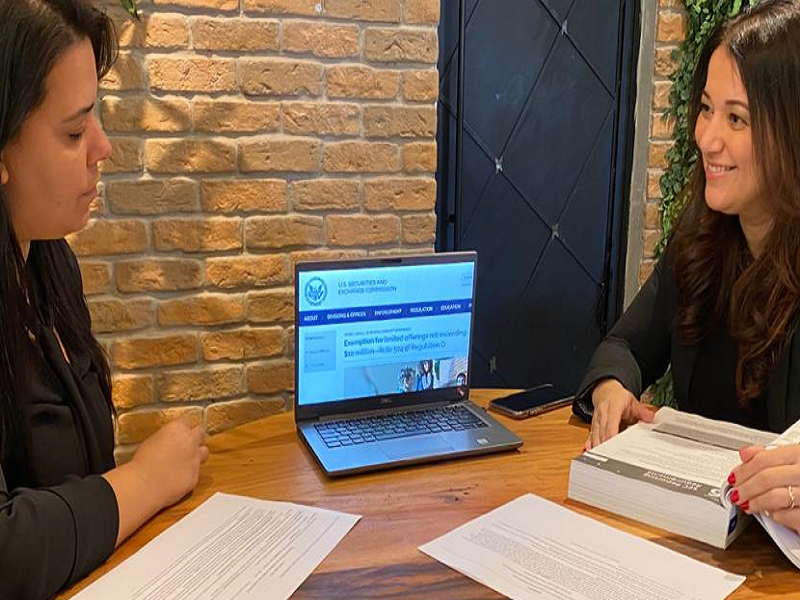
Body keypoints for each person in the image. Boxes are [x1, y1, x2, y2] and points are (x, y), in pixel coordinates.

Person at [0, 1, 208, 598]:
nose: (103, 147)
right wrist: (146, 480)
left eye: (95, 115)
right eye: (73, 132)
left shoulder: (49, 262)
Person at [576, 0, 800, 535]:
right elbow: (626, 345)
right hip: (698, 538)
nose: (706, 138)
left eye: (736, 118)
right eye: (705, 108)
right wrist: (611, 389)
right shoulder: (701, 237)